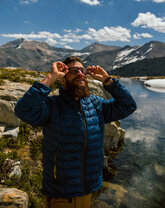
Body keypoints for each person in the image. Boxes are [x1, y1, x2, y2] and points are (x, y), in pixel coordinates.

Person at [14, 56, 137, 208]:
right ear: (63, 80)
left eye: (82, 70)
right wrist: (50, 78)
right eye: (73, 71)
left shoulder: (96, 104)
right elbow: (22, 110)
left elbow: (128, 106)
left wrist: (108, 81)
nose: (80, 73)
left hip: (89, 189)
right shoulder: (52, 106)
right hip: (62, 194)